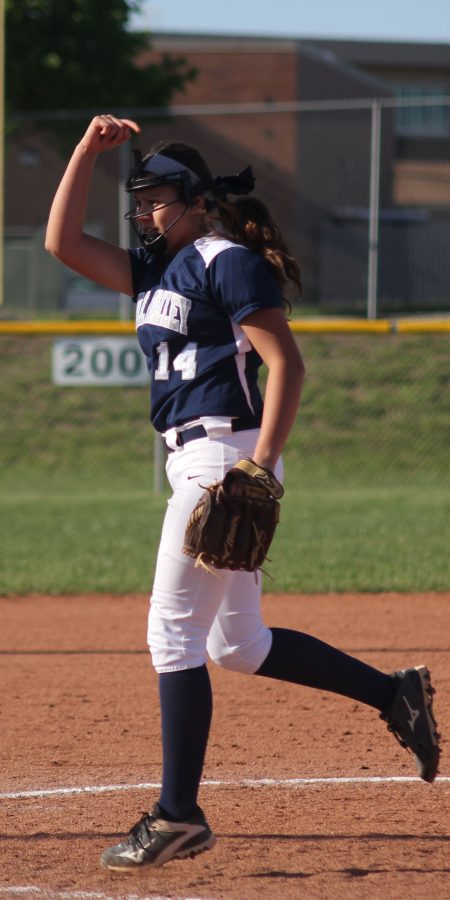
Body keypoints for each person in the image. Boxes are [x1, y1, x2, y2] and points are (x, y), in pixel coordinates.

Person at [46, 114, 440, 873]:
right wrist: (82, 155)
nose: (146, 210)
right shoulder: (154, 268)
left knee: (172, 637)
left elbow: (286, 366)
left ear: (196, 198)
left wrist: (259, 467)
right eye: (141, 200)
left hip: (225, 458)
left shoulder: (225, 261)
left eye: (159, 197)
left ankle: (177, 815)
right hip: (197, 460)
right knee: (237, 644)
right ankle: (394, 695)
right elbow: (63, 245)